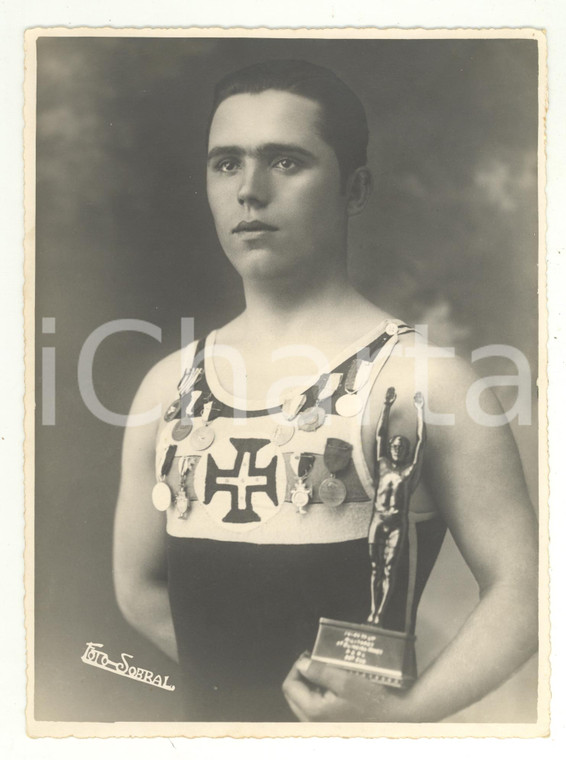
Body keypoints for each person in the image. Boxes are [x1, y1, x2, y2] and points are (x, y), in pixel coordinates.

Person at [113, 59, 538, 722]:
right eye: (226, 163)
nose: (249, 191)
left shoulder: (428, 381)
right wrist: (241, 692)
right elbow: (137, 588)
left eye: (285, 161)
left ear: (354, 188)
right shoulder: (165, 386)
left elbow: (531, 589)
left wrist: (403, 716)